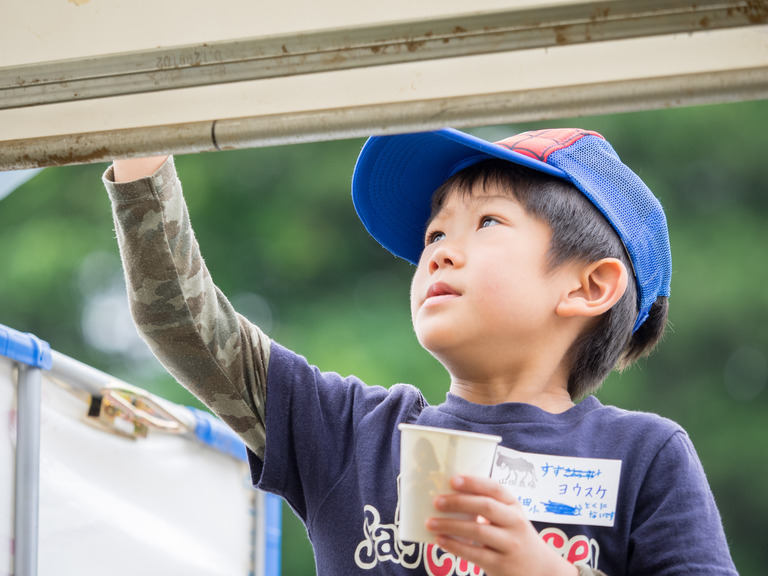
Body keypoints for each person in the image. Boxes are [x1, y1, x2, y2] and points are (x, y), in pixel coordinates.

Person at [103, 127, 737, 576]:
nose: (439, 250)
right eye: (436, 231)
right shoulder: (349, 435)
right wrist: (141, 145)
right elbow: (183, 322)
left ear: (590, 285)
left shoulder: (646, 457)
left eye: (487, 222)